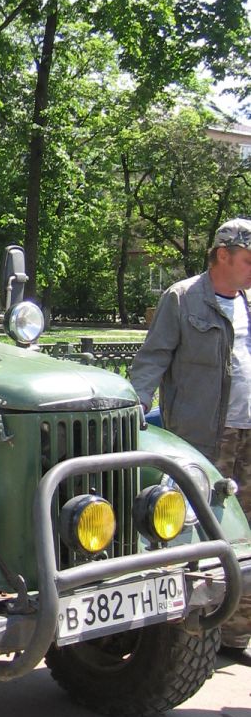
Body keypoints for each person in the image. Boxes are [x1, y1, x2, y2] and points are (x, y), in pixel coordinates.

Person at [130, 217, 251, 657]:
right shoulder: (182, 299)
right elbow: (152, 360)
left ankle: (236, 636)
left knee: (247, 537)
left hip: (248, 434)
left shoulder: (249, 303)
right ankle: (186, 640)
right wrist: (133, 410)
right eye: (247, 260)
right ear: (223, 254)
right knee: (195, 533)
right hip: (202, 439)